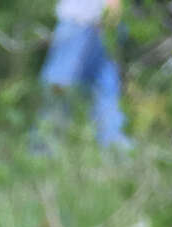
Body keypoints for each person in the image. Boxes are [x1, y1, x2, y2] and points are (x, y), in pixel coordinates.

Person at [34, 0, 129, 154]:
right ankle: (42, 153)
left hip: (91, 23)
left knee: (104, 92)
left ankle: (43, 153)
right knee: (63, 89)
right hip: (86, 22)